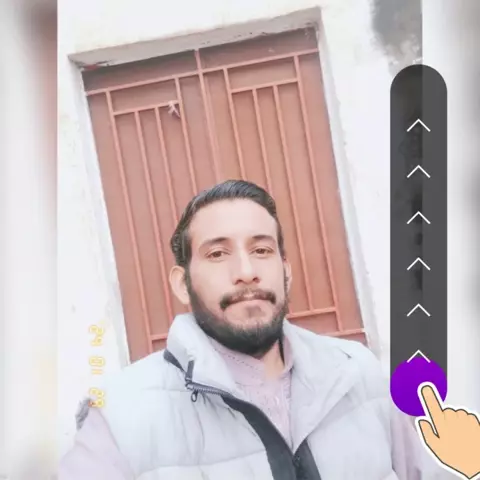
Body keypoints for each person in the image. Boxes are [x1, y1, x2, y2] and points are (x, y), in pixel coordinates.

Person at [59, 180, 451, 479]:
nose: (246, 272)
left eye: (262, 250)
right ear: (182, 284)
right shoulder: (119, 417)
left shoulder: (359, 374)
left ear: (286, 271)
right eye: (217, 254)